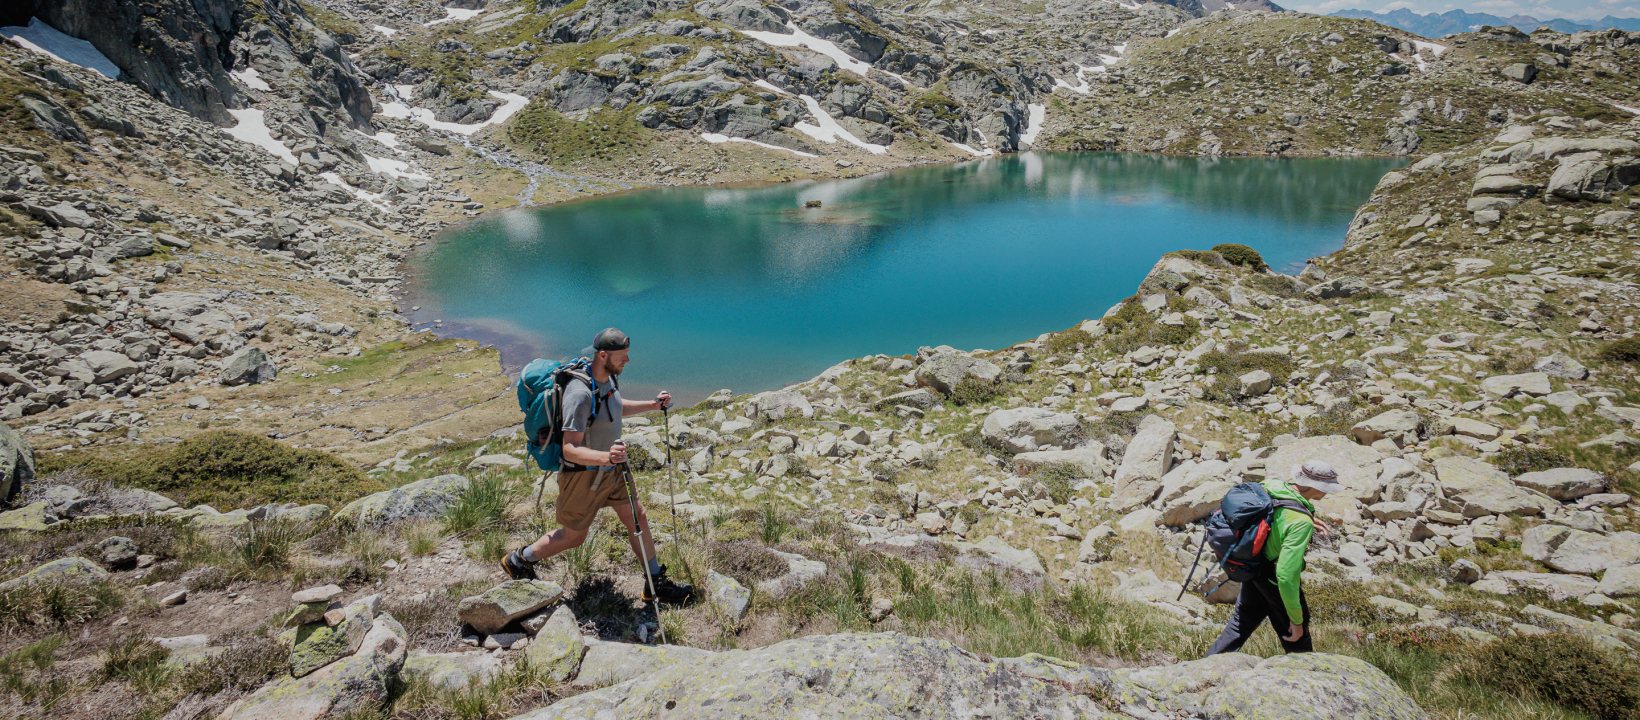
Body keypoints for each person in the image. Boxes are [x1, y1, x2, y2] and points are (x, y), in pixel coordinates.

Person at [501, 327, 694, 604]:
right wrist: (606, 458)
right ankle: (520, 559)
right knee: (573, 536)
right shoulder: (579, 393)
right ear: (603, 355)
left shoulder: (608, 380)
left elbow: (615, 407)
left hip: (612, 469)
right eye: (622, 356)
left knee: (637, 517)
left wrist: (653, 405)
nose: (627, 361)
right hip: (584, 476)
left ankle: (654, 584)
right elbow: (570, 448)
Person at [1205, 459, 1342, 655]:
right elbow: (1286, 575)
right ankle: (1306, 677)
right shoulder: (1300, 523)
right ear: (1316, 487)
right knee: (1296, 637)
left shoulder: (1273, 485)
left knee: (1241, 623)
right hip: (1271, 577)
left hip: (1254, 567)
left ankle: (1205, 666)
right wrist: (1296, 620)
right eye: (1327, 487)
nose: (1328, 492)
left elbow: (1275, 512)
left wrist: (1308, 516)